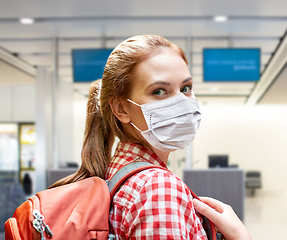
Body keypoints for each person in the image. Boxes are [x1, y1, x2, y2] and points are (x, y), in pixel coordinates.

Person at [50, 35, 251, 239]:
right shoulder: (158, 188)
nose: (181, 103)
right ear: (121, 109)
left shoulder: (115, 172)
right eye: (160, 91)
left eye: (185, 88)